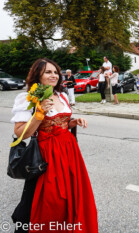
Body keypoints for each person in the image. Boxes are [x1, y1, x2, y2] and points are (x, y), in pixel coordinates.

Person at [10, 58, 98, 233]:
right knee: (52, 199)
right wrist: (39, 113)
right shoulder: (28, 98)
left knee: (73, 195)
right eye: (48, 72)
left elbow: (60, 121)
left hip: (69, 150)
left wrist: (73, 122)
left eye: (56, 72)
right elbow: (20, 133)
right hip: (48, 154)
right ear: (37, 75)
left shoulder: (61, 95)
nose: (54, 75)